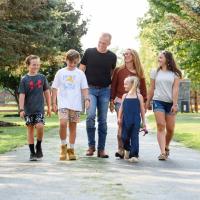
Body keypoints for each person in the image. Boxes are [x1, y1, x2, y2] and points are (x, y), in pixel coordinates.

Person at [79, 32, 117, 158]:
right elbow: (81, 70)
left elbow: (111, 74)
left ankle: (101, 149)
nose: (101, 44)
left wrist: (111, 94)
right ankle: (91, 146)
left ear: (109, 44)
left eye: (104, 43)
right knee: (90, 116)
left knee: (103, 120)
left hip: (105, 90)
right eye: (100, 42)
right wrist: (81, 88)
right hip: (90, 89)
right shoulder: (89, 52)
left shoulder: (112, 56)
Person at [52, 49, 90, 161]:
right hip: (63, 103)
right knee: (63, 123)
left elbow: (84, 88)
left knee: (73, 127)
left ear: (78, 61)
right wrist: (54, 103)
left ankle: (71, 150)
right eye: (70, 62)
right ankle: (63, 147)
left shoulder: (80, 73)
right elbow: (54, 88)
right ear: (66, 60)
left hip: (76, 104)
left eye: (75, 62)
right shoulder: (60, 72)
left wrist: (87, 99)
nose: (72, 64)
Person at [110, 48, 147, 158]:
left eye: (127, 54)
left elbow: (143, 89)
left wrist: (144, 102)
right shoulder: (119, 70)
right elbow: (113, 85)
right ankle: (121, 149)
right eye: (124, 54)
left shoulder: (139, 71)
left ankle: (132, 150)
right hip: (121, 100)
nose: (125, 56)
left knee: (132, 127)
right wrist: (111, 100)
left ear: (133, 56)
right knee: (121, 125)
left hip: (135, 101)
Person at [146, 51, 182, 160]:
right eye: (158, 58)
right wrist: (148, 101)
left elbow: (175, 89)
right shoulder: (154, 72)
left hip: (170, 103)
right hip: (158, 101)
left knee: (170, 129)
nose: (159, 59)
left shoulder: (175, 74)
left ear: (167, 59)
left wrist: (175, 104)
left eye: (161, 58)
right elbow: (152, 88)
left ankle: (166, 147)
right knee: (161, 125)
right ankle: (162, 152)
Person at [19, 55, 51, 161]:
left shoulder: (42, 77)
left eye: (37, 64)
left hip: (39, 109)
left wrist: (49, 107)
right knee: (30, 130)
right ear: (28, 65)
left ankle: (39, 145)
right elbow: (22, 95)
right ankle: (32, 153)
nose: (36, 66)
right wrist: (21, 109)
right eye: (33, 64)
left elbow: (47, 92)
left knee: (40, 126)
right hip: (28, 110)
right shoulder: (24, 79)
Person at [118, 76, 146, 163]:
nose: (124, 86)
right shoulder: (124, 96)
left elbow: (142, 109)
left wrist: (144, 122)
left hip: (135, 120)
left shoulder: (139, 96)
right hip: (126, 120)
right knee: (123, 137)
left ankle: (134, 155)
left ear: (132, 84)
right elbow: (121, 108)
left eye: (126, 84)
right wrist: (119, 118)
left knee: (134, 137)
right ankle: (128, 149)